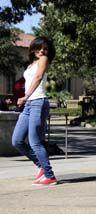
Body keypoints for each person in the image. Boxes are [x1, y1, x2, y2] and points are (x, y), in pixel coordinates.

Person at [11, 37, 58, 186]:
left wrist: (26, 96)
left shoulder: (43, 59)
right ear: (33, 48)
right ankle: (41, 166)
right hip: (29, 105)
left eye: (45, 49)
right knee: (17, 140)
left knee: (35, 142)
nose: (42, 51)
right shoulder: (31, 64)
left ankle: (49, 176)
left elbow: (38, 78)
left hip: (38, 102)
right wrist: (25, 98)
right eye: (39, 48)